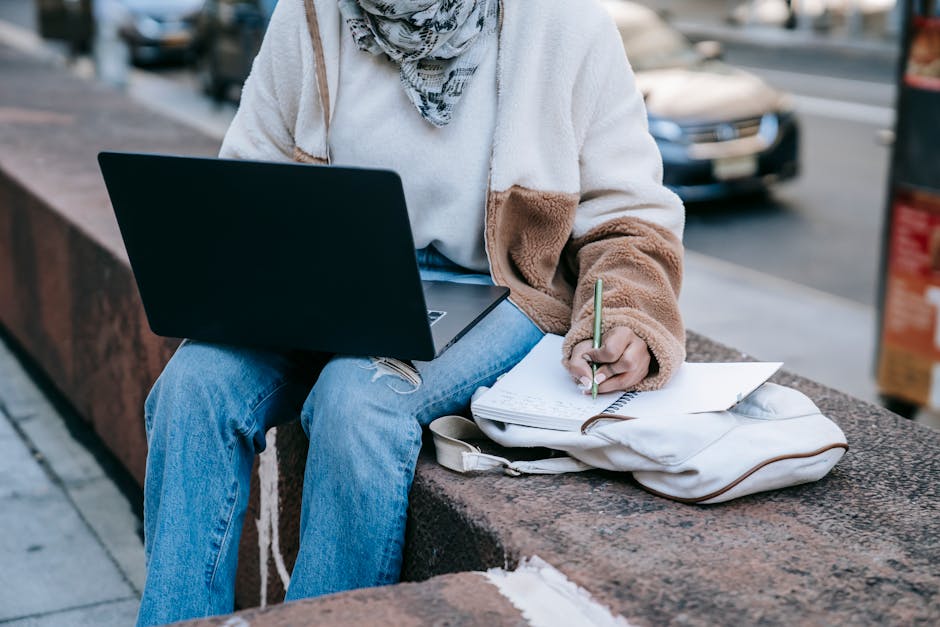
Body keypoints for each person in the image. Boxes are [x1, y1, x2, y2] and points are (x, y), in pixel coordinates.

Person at [136, 0, 685, 624]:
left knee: (357, 400)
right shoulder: (310, 14)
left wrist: (629, 318)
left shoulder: (565, 24)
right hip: (324, 275)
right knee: (192, 387)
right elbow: (249, 171)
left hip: (494, 286)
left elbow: (631, 217)